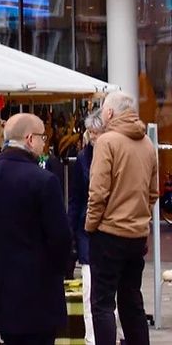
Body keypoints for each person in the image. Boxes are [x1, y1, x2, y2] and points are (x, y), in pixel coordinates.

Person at [0, 113, 71, 345]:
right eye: (43, 137)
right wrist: (61, 268)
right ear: (30, 139)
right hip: (40, 293)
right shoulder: (44, 181)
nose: (45, 143)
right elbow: (61, 238)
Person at [86, 91, 159, 345]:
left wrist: (90, 226)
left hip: (109, 232)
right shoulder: (147, 144)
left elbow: (98, 193)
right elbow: (153, 192)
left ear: (109, 113)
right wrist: (142, 220)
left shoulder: (107, 142)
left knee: (103, 303)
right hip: (136, 235)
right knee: (131, 300)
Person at [68, 110, 106, 345]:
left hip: (109, 228)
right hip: (86, 228)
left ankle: (107, 334)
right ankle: (91, 338)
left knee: (108, 286)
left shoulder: (114, 154)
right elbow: (75, 198)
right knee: (90, 286)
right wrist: (69, 231)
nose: (92, 136)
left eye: (96, 132)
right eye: (90, 132)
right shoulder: (83, 158)